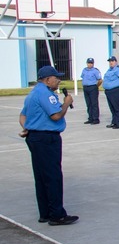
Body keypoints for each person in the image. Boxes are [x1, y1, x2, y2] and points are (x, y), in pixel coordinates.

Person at [18, 66, 78, 225]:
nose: (59, 80)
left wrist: (27, 127)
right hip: (47, 138)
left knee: (41, 176)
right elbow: (56, 115)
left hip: (35, 137)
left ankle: (45, 212)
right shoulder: (45, 94)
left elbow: (23, 114)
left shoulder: (33, 93)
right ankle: (57, 215)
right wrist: (66, 103)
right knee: (53, 176)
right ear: (47, 79)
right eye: (56, 77)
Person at [103, 56, 119, 128]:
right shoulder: (109, 70)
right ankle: (114, 122)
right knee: (112, 107)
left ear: (116, 62)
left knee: (117, 107)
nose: (111, 63)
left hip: (116, 90)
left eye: (112, 61)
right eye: (110, 61)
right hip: (109, 91)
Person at [80, 57, 102, 125]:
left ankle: (95, 119)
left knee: (94, 104)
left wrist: (96, 86)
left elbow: (100, 80)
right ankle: (90, 118)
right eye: (89, 63)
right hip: (86, 88)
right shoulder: (84, 70)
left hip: (93, 88)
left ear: (93, 64)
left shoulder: (95, 71)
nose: (90, 64)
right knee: (88, 104)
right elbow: (82, 77)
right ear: (87, 63)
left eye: (91, 63)